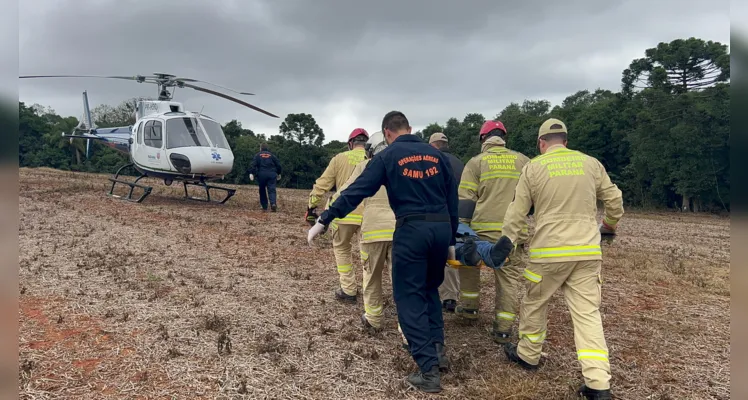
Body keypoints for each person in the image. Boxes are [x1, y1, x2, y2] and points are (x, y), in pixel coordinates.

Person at [307, 111, 458, 393]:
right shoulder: (437, 156)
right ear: (410, 128)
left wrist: (325, 218)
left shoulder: (388, 157)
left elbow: (356, 191)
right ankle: (438, 351)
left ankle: (428, 370)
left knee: (408, 297)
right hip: (440, 229)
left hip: (412, 230)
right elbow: (452, 199)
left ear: (387, 133)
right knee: (429, 291)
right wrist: (451, 237)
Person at [491, 118, 624, 400]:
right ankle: (598, 383)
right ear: (565, 141)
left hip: (547, 254)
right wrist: (609, 227)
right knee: (587, 315)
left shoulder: (534, 167)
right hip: (587, 252)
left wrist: (507, 242)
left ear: (541, 143)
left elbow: (517, 211)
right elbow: (614, 201)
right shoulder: (591, 164)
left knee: (535, 304)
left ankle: (528, 355)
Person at [456, 120, 530, 345]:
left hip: (481, 230)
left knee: (469, 269)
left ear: (483, 139)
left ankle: (469, 310)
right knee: (508, 280)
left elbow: (466, 200)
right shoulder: (523, 161)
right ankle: (503, 329)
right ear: (503, 137)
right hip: (513, 232)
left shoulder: (476, 163)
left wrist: (461, 231)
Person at [305, 128, 369, 302]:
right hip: (367, 214)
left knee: (341, 249)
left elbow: (322, 184)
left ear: (350, 144)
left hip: (342, 212)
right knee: (367, 256)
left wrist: (312, 206)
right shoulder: (372, 160)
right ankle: (369, 292)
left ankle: (348, 290)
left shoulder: (339, 158)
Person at [428, 132, 463, 313]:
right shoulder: (459, 162)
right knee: (451, 254)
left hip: (438, 215)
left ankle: (431, 293)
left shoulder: (431, 162)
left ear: (432, 145)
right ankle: (450, 297)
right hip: (459, 214)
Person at [249, 143, 282, 212]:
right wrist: (279, 173)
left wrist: (252, 173)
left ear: (260, 148)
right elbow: (278, 165)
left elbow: (253, 165)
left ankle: (264, 206)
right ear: (267, 148)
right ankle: (273, 204)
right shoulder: (272, 155)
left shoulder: (257, 155)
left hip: (261, 175)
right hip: (272, 175)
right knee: (272, 190)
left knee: (262, 190)